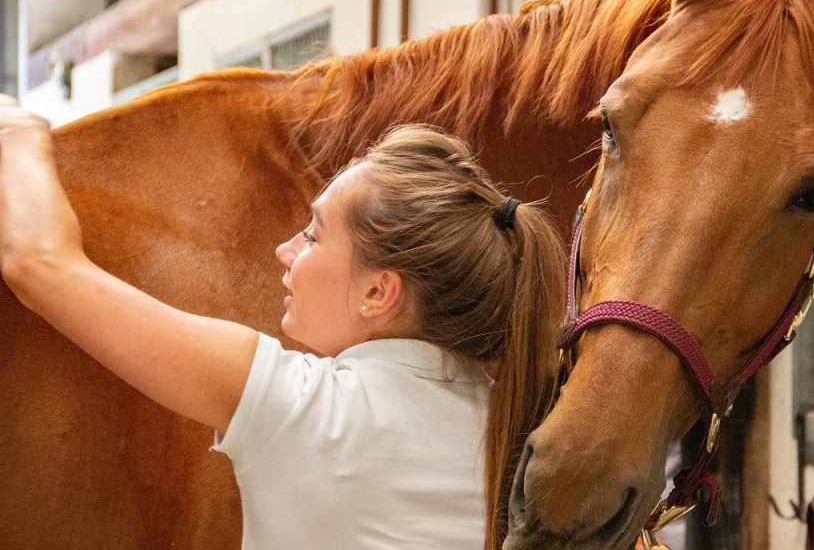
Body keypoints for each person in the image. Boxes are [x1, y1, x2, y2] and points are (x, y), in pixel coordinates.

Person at [0, 95, 566, 550]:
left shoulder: (297, 406)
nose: (284, 249)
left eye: (313, 235)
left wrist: (17, 131)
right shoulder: (522, 431)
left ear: (378, 291)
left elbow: (40, 264)